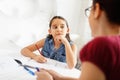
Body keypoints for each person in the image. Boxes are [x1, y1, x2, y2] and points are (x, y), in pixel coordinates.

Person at [35, 0, 120, 80]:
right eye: (55, 27)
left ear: (96, 10)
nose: (58, 30)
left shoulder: (100, 46)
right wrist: (60, 78)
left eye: (89, 10)